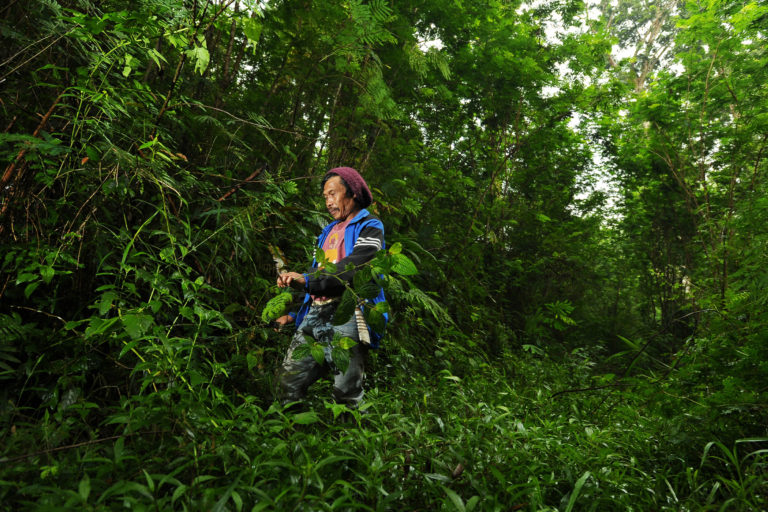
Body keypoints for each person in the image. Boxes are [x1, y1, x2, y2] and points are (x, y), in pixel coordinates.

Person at [274, 166, 387, 409]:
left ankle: (350, 441)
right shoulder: (327, 232)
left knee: (345, 392)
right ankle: (291, 434)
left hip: (347, 312)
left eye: (333, 194)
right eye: (325, 196)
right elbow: (317, 276)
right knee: (288, 382)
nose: (328, 201)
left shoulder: (370, 226)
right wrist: (295, 314)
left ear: (352, 193)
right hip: (315, 314)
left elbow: (354, 266)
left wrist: (306, 279)